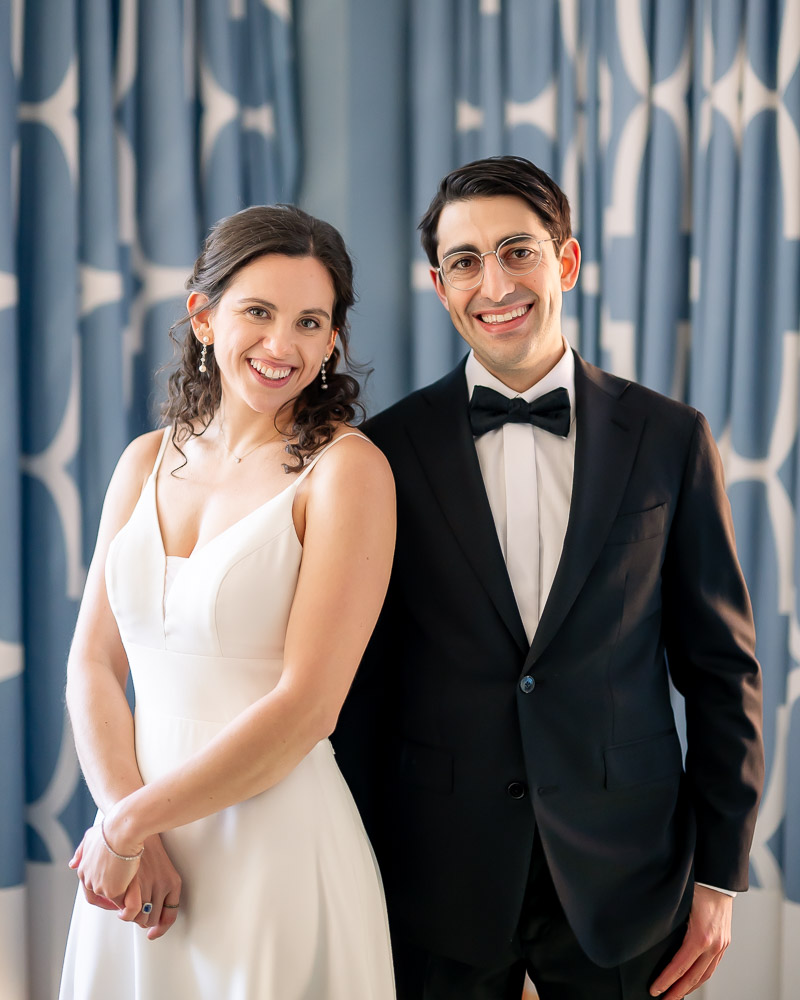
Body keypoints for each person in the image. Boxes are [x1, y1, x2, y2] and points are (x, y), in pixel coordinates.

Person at [332, 156, 764, 1000]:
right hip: (437, 876)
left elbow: (722, 671)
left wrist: (721, 876)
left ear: (564, 261)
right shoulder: (382, 452)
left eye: (517, 251)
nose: (493, 282)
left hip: (630, 873)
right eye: (465, 261)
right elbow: (358, 688)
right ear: (439, 283)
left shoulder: (671, 437)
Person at [59, 204, 397, 999]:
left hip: (272, 845)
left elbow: (308, 706)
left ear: (333, 341)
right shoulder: (144, 461)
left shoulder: (348, 473)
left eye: (311, 322)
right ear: (203, 317)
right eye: (258, 312)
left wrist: (127, 827)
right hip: (135, 842)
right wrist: (125, 824)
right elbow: (93, 663)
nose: (282, 345)